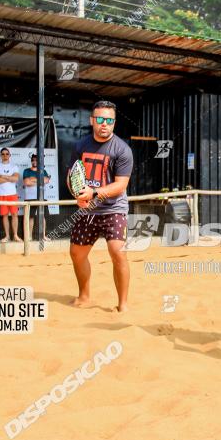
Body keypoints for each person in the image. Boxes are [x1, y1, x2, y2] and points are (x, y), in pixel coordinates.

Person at [69, 100, 134, 311]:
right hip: (87, 209)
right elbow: (72, 176)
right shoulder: (80, 146)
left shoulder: (123, 150)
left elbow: (121, 185)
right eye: (100, 119)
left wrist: (94, 192)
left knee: (117, 251)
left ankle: (122, 304)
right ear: (92, 120)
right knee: (76, 253)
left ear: (114, 123)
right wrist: (78, 195)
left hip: (113, 208)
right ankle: (84, 296)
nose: (104, 124)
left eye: (109, 120)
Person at [0, 147, 20, 242]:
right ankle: (7, 236)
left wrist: (3, 176)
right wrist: (10, 177)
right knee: (4, 215)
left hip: (12, 194)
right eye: (3, 154)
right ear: (0, 155)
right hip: (2, 194)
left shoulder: (14, 166)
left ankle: (15, 236)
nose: (5, 155)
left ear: (9, 155)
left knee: (14, 215)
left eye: (7, 154)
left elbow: (16, 179)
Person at [23, 153, 51, 240]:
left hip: (42, 197)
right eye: (33, 160)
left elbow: (46, 180)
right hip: (29, 197)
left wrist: (33, 179)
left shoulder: (43, 170)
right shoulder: (26, 171)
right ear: (31, 161)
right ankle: (29, 236)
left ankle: (43, 236)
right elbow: (26, 182)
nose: (34, 161)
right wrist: (39, 180)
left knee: (42, 217)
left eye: (36, 160)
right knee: (29, 217)